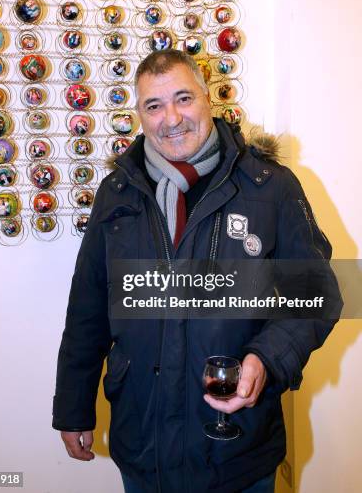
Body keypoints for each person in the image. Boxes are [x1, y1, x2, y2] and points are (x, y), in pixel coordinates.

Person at [52, 50, 340, 492]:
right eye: (154, 105)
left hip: (239, 446)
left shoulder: (270, 187)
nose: (172, 118)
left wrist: (266, 357)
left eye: (183, 98)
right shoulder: (118, 194)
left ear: (208, 100)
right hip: (143, 445)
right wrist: (73, 407)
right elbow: (87, 308)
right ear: (140, 116)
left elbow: (318, 292)